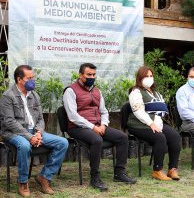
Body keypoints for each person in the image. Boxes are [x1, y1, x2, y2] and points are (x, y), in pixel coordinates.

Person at [63, 63, 136, 192]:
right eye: (88, 75)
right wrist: (92, 127)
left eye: (94, 74)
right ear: (80, 75)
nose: (92, 77)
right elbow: (72, 116)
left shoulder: (97, 90)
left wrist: (103, 124)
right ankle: (95, 177)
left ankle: (119, 173)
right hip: (77, 127)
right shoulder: (70, 90)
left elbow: (104, 111)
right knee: (97, 140)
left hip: (98, 125)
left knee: (122, 137)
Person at [0, 65, 68, 197]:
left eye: (33, 77)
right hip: (13, 133)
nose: (33, 80)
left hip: (33, 132)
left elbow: (41, 118)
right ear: (19, 79)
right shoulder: (8, 96)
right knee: (24, 145)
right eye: (29, 78)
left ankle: (44, 177)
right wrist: (29, 137)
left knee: (63, 142)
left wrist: (38, 132)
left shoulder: (34, 95)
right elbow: (9, 122)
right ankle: (23, 182)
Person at [127, 66, 181, 181]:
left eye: (151, 76)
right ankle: (157, 170)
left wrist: (157, 123)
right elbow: (138, 112)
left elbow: (160, 111)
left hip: (156, 123)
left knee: (175, 136)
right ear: (140, 78)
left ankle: (172, 169)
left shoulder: (156, 93)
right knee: (160, 138)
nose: (149, 78)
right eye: (146, 76)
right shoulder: (135, 92)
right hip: (138, 125)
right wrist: (151, 124)